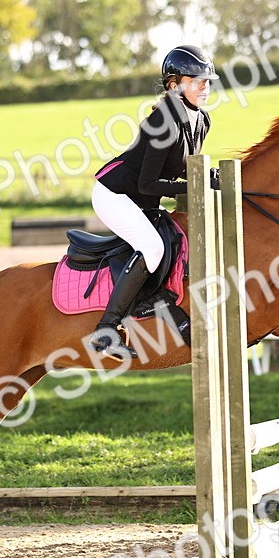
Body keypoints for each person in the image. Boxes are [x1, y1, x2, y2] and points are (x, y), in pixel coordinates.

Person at [88, 44, 219, 359]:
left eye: (208, 80)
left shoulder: (201, 120)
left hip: (142, 198)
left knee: (175, 242)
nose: (205, 86)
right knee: (153, 248)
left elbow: (184, 167)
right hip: (115, 194)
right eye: (196, 79)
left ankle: (156, 305)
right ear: (174, 85)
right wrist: (194, 186)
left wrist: (209, 177)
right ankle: (106, 331)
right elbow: (148, 183)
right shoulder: (163, 121)